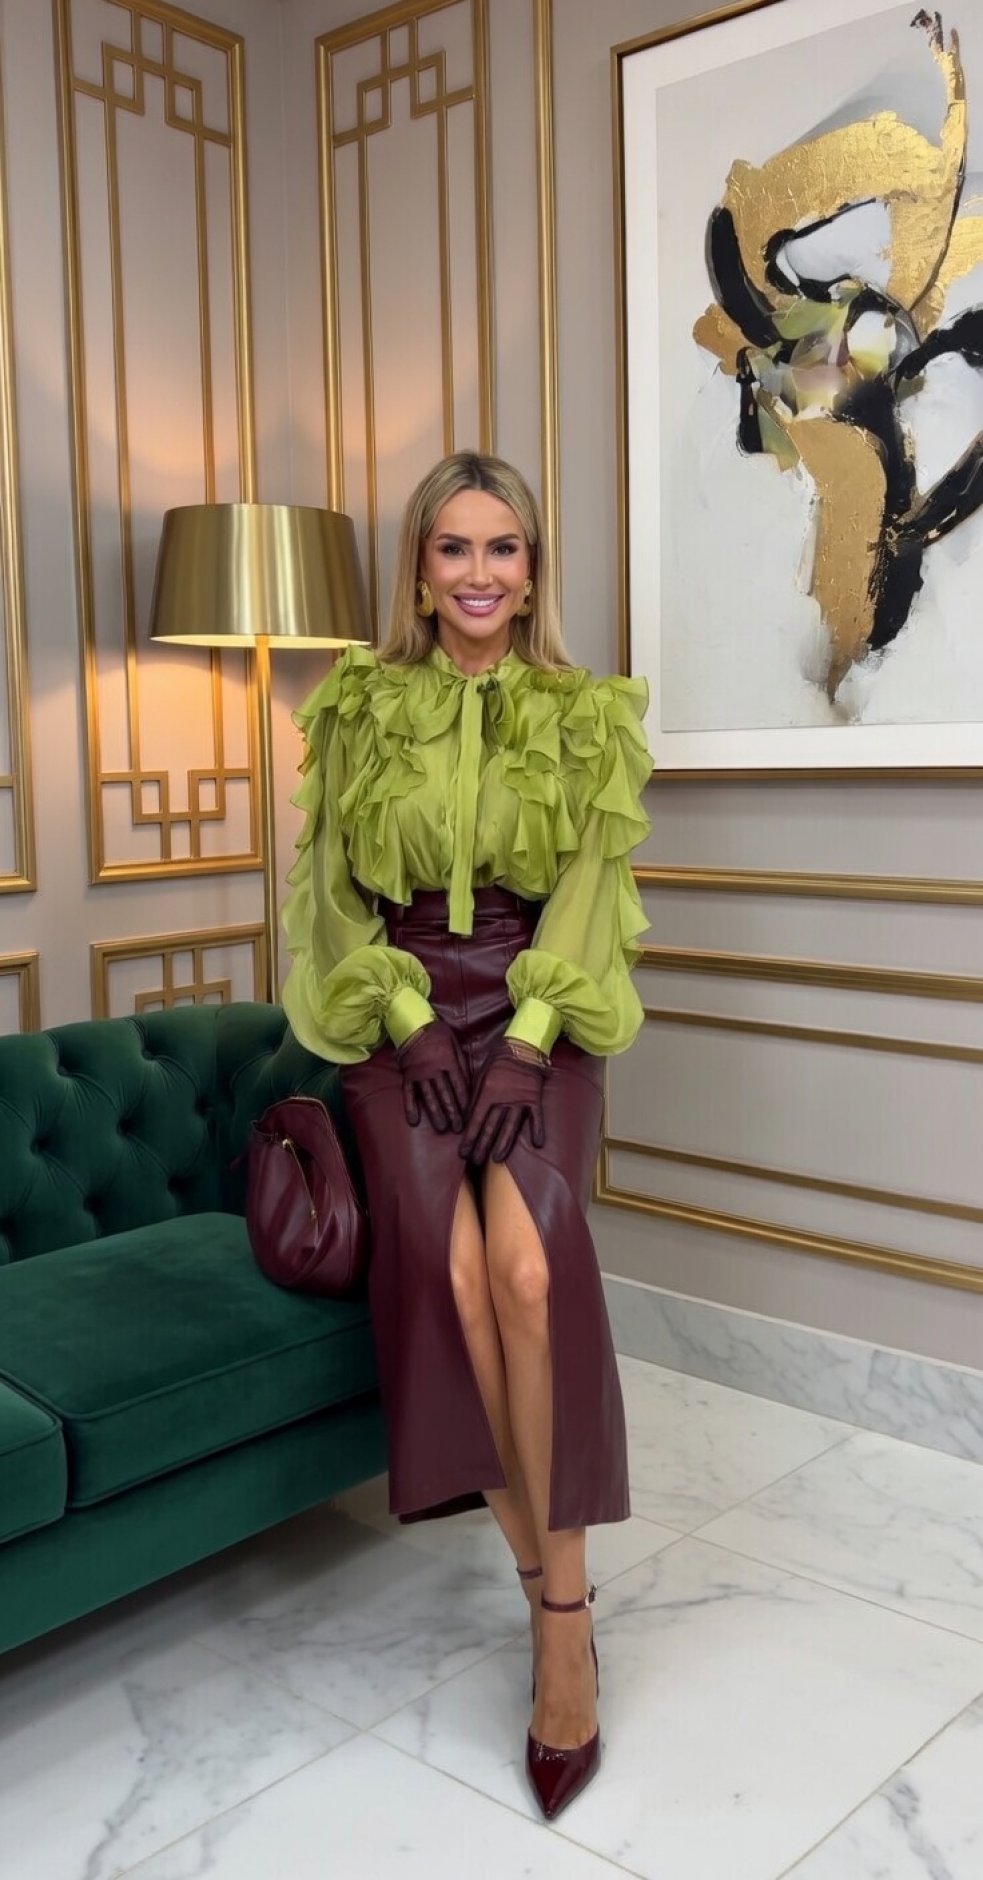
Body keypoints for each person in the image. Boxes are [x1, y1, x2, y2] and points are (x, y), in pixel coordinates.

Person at [281, 450, 652, 1821]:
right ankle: (555, 1605)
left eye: (504, 548)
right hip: (403, 1021)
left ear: (533, 572)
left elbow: (593, 894)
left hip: (541, 1008)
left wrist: (534, 1036)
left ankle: (561, 1613)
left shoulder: (584, 712)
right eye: (454, 548)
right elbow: (328, 899)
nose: (480, 574)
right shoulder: (358, 706)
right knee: (451, 1274)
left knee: (529, 1268)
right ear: (420, 570)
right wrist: (407, 1016)